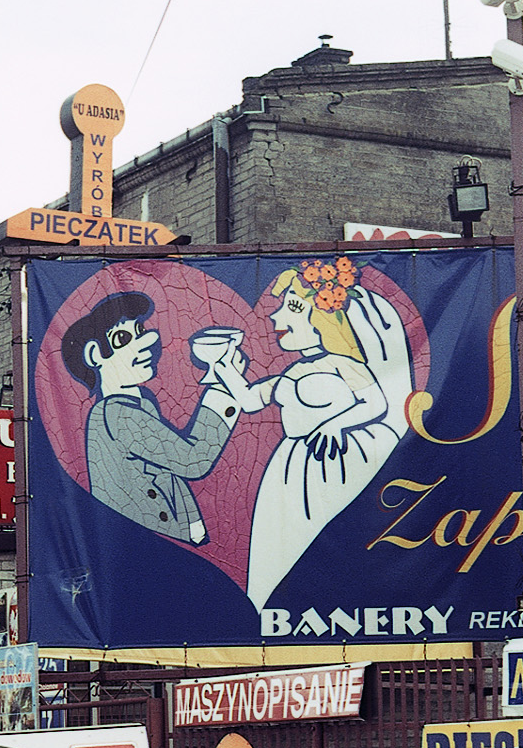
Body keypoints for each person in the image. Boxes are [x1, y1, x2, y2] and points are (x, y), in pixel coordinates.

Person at [212, 260, 412, 609]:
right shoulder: (294, 370)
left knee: (330, 540)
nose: (277, 320)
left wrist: (335, 424)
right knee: (283, 546)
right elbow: (248, 399)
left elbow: (376, 402)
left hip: (336, 462)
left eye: (291, 308)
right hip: (289, 471)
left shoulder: (344, 364)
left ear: (322, 316)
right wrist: (224, 367)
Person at [61, 290, 244, 544]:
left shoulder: (140, 404)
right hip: (147, 548)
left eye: (140, 330)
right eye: (123, 338)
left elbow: (169, 474)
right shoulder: (116, 413)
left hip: (164, 545)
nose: (147, 341)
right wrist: (226, 388)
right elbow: (194, 460)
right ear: (94, 355)